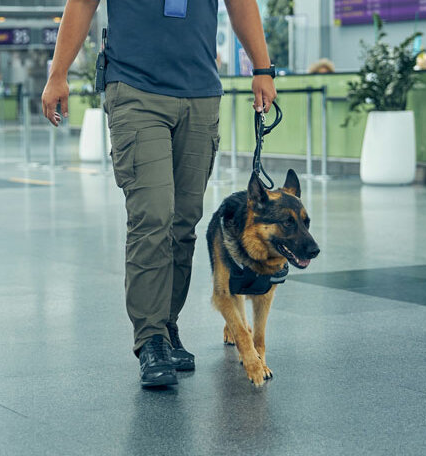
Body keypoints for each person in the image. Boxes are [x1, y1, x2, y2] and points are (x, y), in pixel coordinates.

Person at [41, 0, 277, 388]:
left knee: (183, 222)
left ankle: (167, 327)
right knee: (152, 216)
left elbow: (240, 3)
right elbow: (82, 3)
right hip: (135, 91)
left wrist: (262, 68)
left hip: (200, 93)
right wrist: (57, 73)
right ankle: (150, 339)